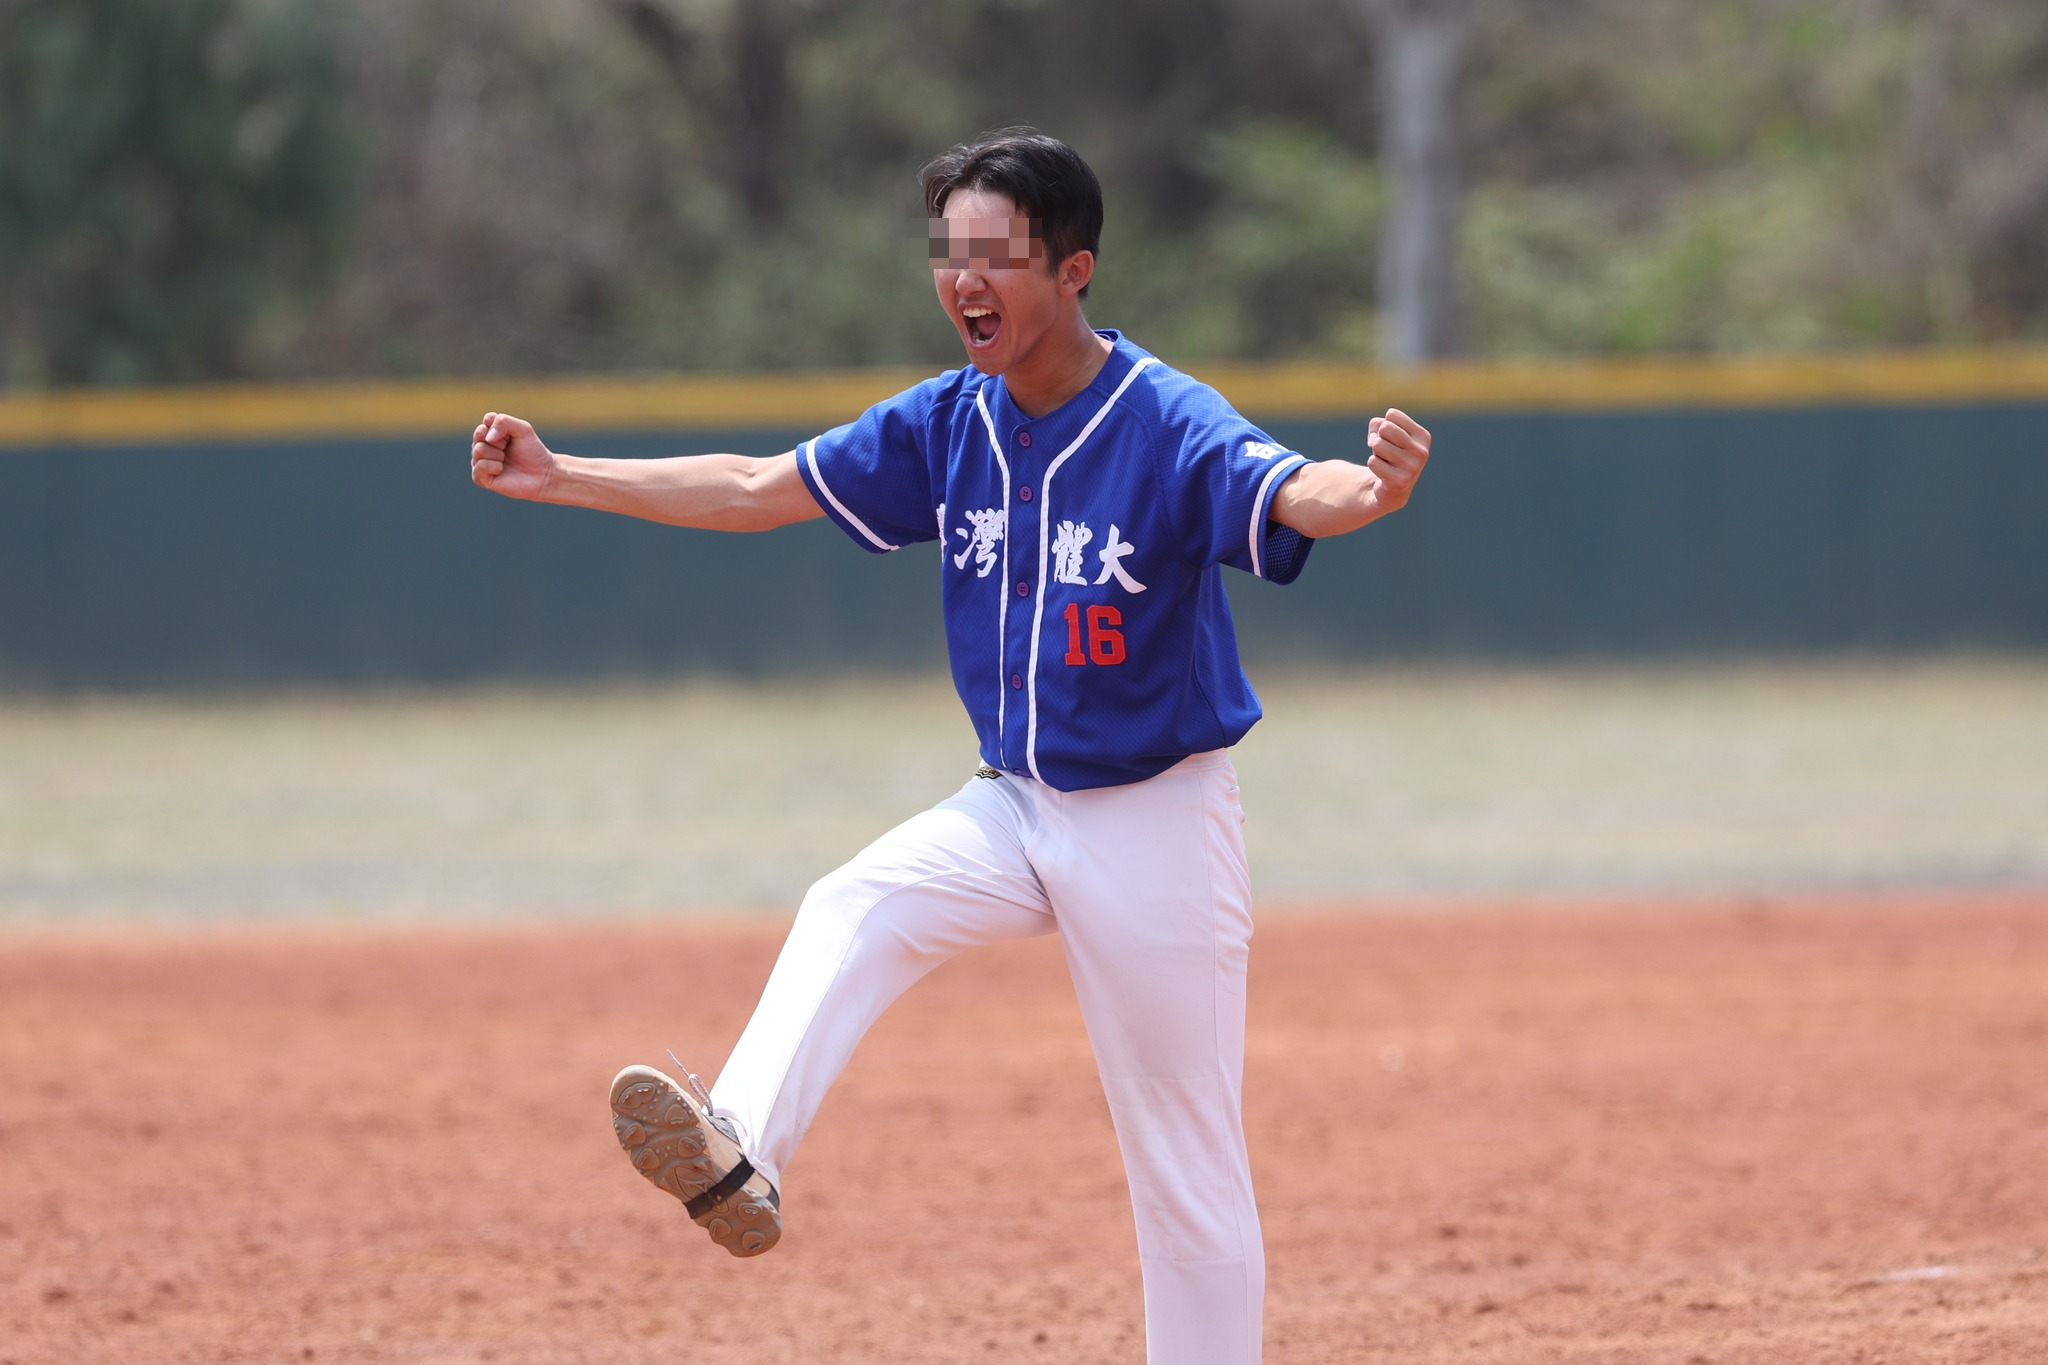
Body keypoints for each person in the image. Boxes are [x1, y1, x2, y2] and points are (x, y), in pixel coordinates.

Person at [468, 128, 1431, 1365]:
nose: (964, 281)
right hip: (1014, 806)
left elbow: (1295, 492)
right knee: (854, 901)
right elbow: (759, 485)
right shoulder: (948, 421)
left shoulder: (1161, 418)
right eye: (948, 254)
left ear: (1074, 268)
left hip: (1153, 820)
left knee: (1181, 1154)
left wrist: (1370, 492)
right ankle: (738, 1148)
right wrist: (563, 477)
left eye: (998, 256)